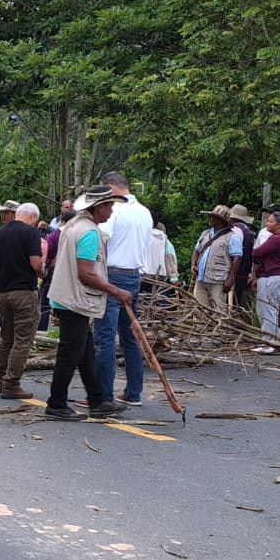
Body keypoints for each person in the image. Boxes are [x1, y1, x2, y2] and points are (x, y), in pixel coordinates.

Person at [45, 185, 130, 419]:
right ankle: (56, 404)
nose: (112, 211)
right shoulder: (89, 233)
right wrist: (116, 291)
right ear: (100, 207)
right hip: (75, 298)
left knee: (85, 353)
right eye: (110, 206)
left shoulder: (74, 225)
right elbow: (87, 273)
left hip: (68, 297)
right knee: (70, 354)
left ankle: (97, 399)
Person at [94, 171, 152, 407]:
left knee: (105, 337)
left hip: (113, 274)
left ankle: (103, 394)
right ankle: (133, 392)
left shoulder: (115, 210)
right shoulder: (144, 211)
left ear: (111, 187)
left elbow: (101, 240)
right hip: (134, 276)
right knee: (130, 336)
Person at [0, 202, 45, 399]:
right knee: (23, 339)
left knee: (6, 337)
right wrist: (42, 269)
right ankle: (11, 383)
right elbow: (35, 263)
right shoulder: (31, 233)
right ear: (32, 217)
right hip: (23, 292)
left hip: (3, 293)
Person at [249, 211, 280, 353]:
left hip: (271, 276)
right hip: (277, 276)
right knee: (272, 309)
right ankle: (270, 340)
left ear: (279, 225)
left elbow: (256, 252)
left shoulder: (277, 239)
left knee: (267, 309)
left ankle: (268, 343)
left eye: (270, 221)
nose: (267, 224)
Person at [192, 206, 242, 313]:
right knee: (199, 310)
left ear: (221, 221)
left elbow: (236, 259)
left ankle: (220, 330)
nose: (210, 220)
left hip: (219, 280)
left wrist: (230, 279)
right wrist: (193, 265)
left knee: (219, 311)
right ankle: (199, 329)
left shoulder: (232, 237)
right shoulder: (205, 234)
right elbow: (196, 250)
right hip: (201, 279)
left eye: (213, 217)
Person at [228, 204, 256, 316]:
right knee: (239, 303)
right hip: (244, 274)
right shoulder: (248, 231)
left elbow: (235, 254)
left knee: (231, 304)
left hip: (235, 273)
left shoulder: (235, 230)